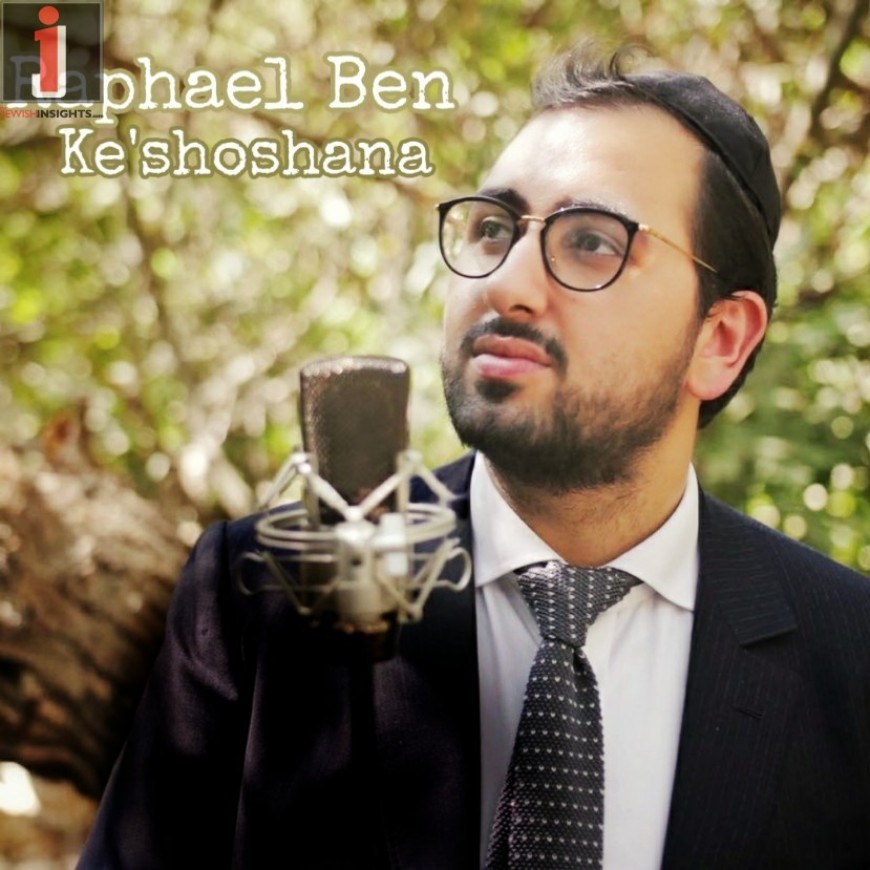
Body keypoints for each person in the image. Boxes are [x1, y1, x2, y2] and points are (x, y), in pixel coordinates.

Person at [79, 44, 870, 869]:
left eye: (591, 241)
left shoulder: (851, 660)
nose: (505, 283)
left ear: (721, 339)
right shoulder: (259, 600)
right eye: (493, 229)